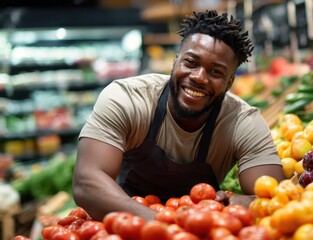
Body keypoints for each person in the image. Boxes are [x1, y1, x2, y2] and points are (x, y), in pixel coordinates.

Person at [72, 10, 284, 221]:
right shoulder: (128, 98)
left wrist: (244, 203)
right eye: (191, 63)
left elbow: (274, 198)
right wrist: (165, 227)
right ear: (175, 62)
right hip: (124, 223)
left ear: (229, 83)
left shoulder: (243, 122)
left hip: (202, 227)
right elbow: (87, 181)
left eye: (215, 72)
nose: (199, 77)